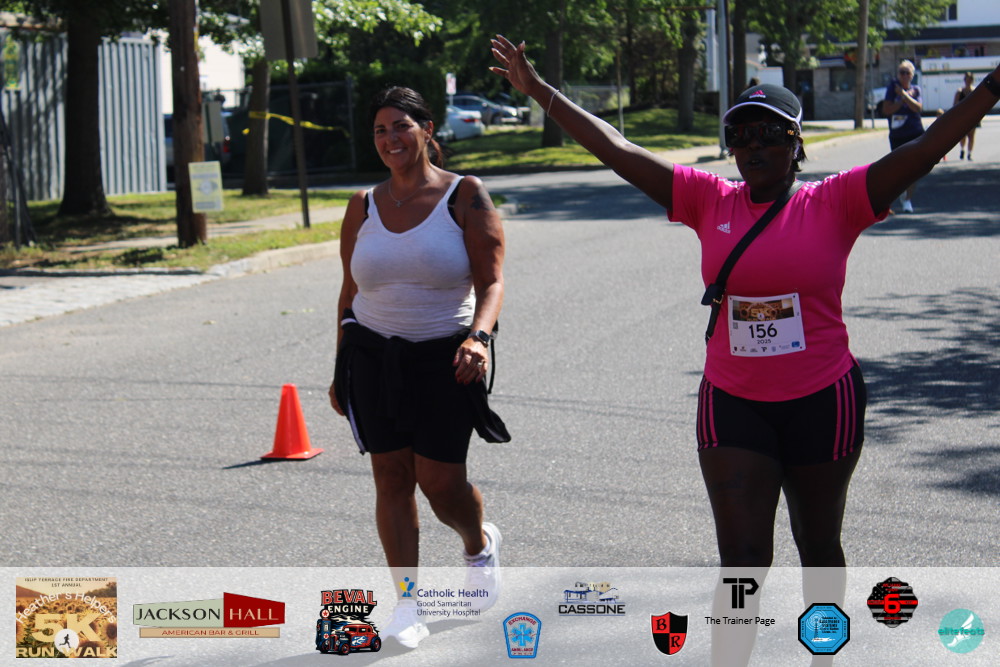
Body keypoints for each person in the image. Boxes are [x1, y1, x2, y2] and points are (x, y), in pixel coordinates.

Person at [490, 35, 1000, 665]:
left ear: (796, 143)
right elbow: (618, 149)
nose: (752, 146)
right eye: (740, 135)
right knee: (742, 560)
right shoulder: (709, 200)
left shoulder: (836, 201)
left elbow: (924, 148)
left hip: (824, 400)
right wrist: (540, 92)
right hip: (734, 404)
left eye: (769, 133)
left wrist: (992, 88)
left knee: (818, 548)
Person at [328, 86, 507, 649]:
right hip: (371, 358)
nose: (390, 139)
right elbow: (349, 292)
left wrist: (479, 338)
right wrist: (339, 368)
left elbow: (492, 281)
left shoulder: (464, 195)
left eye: (401, 126)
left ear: (427, 129)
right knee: (391, 478)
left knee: (441, 485)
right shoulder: (362, 205)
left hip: (445, 359)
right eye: (380, 131)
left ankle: (478, 544)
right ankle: (407, 605)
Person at [883, 59, 924, 212]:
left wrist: (905, 96)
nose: (905, 75)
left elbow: (917, 108)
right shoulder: (892, 89)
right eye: (902, 73)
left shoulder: (916, 90)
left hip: (914, 132)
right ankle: (896, 194)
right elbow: (886, 110)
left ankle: (907, 200)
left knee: (913, 169)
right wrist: (900, 99)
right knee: (898, 169)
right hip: (897, 134)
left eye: (908, 73)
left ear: (912, 75)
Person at [954, 72, 979, 160]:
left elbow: (978, 104)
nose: (968, 81)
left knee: (971, 136)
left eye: (970, 80)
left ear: (972, 80)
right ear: (964, 80)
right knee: (962, 136)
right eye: (967, 80)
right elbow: (955, 105)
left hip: (973, 117)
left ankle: (969, 154)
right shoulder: (960, 92)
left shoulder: (975, 91)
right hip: (962, 117)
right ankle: (962, 149)